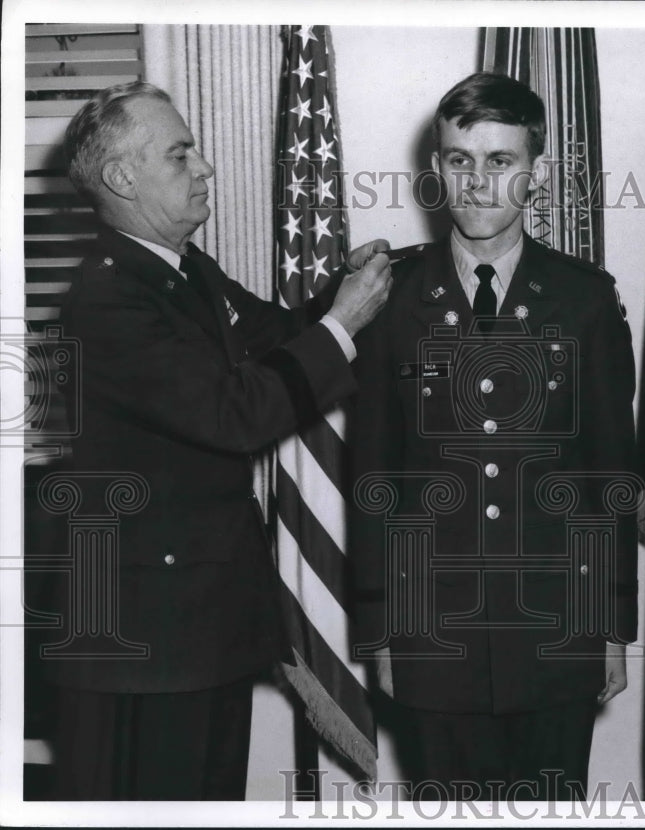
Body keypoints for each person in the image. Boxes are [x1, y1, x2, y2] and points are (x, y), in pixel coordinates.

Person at [46, 81, 392, 800]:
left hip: (205, 625)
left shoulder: (181, 271)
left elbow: (278, 338)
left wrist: (347, 295)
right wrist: (343, 327)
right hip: (149, 646)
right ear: (122, 178)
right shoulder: (108, 297)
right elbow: (235, 413)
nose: (205, 169)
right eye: (180, 155)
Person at [350, 72, 638, 801]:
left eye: (500, 162)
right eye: (458, 160)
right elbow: (375, 474)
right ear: (435, 169)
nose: (477, 184)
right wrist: (382, 630)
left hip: (555, 632)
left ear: (534, 174)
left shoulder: (584, 300)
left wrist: (609, 626)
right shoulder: (389, 300)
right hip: (433, 635)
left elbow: (607, 472)